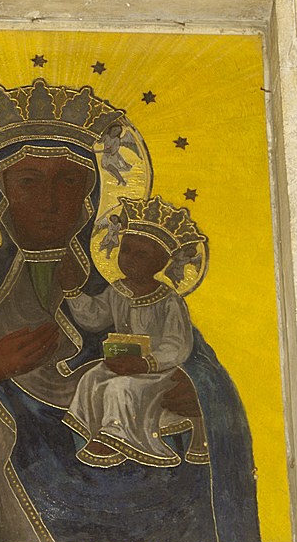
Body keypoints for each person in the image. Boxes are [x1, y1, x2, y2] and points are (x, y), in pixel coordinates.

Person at [0, 79, 260, 542]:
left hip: (135, 507)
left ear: (89, 197)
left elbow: (196, 367)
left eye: (69, 181)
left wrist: (195, 393)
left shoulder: (126, 289)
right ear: (0, 194)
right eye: (29, 181)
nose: (51, 200)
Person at [63, 196, 209, 470]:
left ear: (161, 262)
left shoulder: (169, 300)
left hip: (159, 372)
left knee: (121, 388)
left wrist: (146, 363)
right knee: (92, 377)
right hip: (125, 363)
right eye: (126, 250)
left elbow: (177, 345)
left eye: (141, 255)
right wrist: (72, 292)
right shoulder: (118, 291)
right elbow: (94, 318)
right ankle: (94, 433)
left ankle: (116, 438)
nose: (129, 260)